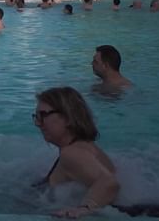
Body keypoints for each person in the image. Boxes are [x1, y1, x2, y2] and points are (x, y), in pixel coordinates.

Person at [33, 87, 120, 219]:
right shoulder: (86, 146)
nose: (38, 123)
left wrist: (85, 208)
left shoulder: (71, 153)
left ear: (68, 117)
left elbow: (109, 183)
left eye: (43, 115)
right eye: (36, 117)